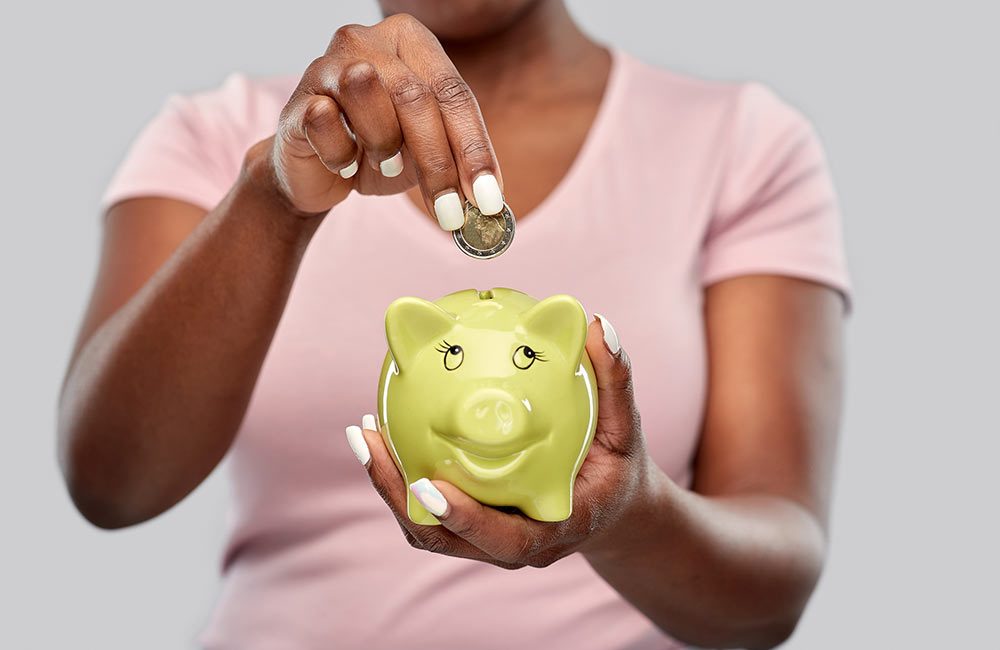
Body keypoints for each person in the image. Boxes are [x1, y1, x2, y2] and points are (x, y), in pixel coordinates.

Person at [57, 1, 850, 648]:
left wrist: (630, 513)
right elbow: (112, 486)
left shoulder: (744, 144)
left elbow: (770, 592)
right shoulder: (218, 136)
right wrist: (271, 200)